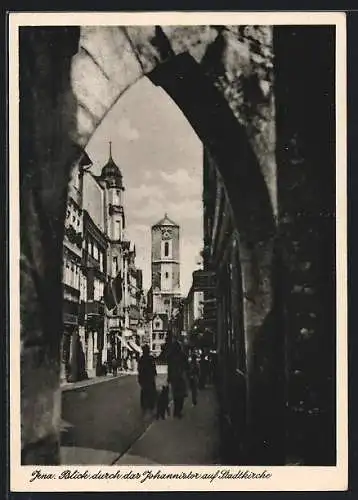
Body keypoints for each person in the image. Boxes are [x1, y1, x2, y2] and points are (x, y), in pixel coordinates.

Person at [167, 340, 189, 418]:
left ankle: (177, 411)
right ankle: (178, 411)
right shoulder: (183, 355)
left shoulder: (170, 356)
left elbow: (169, 368)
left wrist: (169, 377)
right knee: (181, 395)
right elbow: (187, 366)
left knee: (176, 395)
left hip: (174, 377)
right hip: (180, 377)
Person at [137, 344, 157, 414]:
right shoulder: (150, 358)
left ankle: (144, 405)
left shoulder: (141, 359)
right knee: (151, 390)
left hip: (144, 377)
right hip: (149, 377)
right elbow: (153, 367)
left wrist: (139, 377)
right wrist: (154, 373)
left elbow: (139, 369)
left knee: (144, 390)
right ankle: (151, 404)